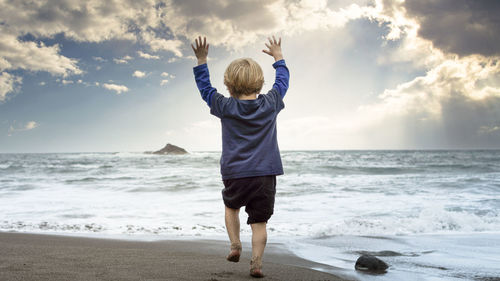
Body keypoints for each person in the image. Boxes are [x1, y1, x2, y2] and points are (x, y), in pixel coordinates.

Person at [191, 35, 289, 278]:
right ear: (259, 82)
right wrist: (278, 57)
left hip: (235, 174)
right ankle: (256, 263)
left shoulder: (225, 106)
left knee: (231, 207)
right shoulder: (271, 103)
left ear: (228, 86)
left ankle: (235, 244)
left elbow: (205, 90)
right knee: (259, 223)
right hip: (265, 175)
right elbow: (283, 81)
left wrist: (202, 60)